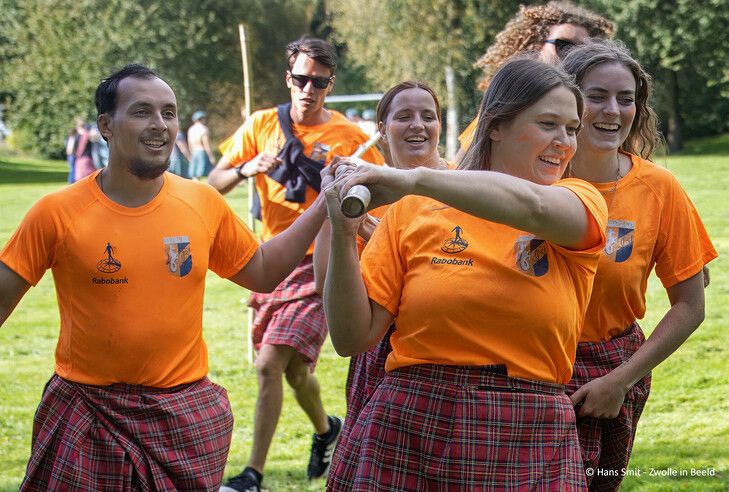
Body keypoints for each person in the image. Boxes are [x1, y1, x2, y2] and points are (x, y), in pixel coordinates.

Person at [0, 63, 329, 491]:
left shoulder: (202, 201)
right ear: (106, 125)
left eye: (169, 113)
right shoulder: (56, 213)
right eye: (142, 112)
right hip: (86, 413)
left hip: (182, 417)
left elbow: (263, 272)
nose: (160, 125)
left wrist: (323, 205)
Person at [322, 56, 608, 490]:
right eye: (549, 124)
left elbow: (530, 205)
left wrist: (416, 179)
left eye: (571, 128)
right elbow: (350, 337)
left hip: (528, 427)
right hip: (413, 420)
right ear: (496, 125)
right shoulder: (412, 211)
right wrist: (344, 238)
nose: (564, 143)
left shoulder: (579, 200)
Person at [209, 37, 383, 492]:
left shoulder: (350, 137)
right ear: (289, 78)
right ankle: (327, 428)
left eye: (319, 82)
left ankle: (253, 475)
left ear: (330, 84)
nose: (309, 89)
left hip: (319, 264)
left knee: (269, 364)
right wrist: (247, 170)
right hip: (270, 261)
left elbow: (384, 189)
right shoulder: (262, 124)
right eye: (301, 79)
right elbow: (213, 183)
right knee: (293, 370)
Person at [560, 40, 717, 490]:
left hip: (609, 373)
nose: (613, 110)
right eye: (596, 96)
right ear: (566, 100)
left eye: (625, 99)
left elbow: (690, 305)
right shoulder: (534, 176)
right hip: (523, 371)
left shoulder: (658, 187)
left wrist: (621, 381)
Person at [313, 81, 450, 436]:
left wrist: (385, 243)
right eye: (404, 116)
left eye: (428, 116)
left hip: (445, 344)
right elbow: (324, 281)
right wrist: (333, 215)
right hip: (377, 347)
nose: (417, 125)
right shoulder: (362, 193)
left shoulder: (463, 186)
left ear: (440, 125)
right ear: (382, 130)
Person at [455, 1, 613, 161]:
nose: (572, 55)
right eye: (564, 45)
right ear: (537, 45)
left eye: (572, 128)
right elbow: (461, 167)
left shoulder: (600, 112)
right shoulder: (507, 102)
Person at [188, 110, 216, 179]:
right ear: (201, 119)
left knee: (194, 173)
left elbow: (189, 143)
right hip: (201, 151)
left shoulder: (191, 129)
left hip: (194, 152)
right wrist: (211, 156)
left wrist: (190, 154)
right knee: (201, 173)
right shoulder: (203, 129)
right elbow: (206, 144)